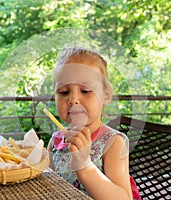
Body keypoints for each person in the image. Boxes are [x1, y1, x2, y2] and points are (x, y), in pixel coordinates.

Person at [47, 47, 141, 200]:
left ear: (105, 95)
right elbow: (48, 184)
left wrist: (84, 165)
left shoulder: (112, 143)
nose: (73, 99)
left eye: (85, 90)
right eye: (63, 92)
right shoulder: (55, 141)